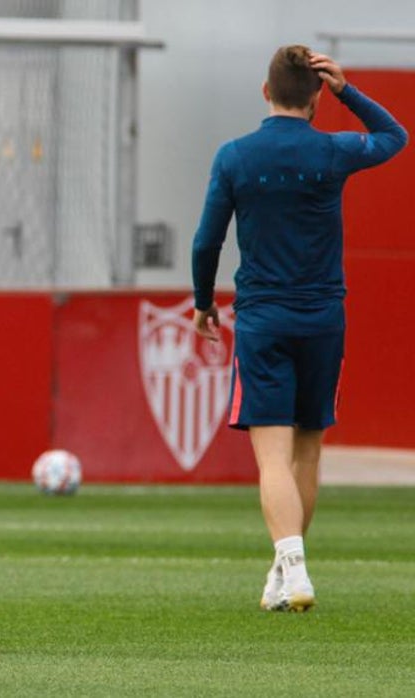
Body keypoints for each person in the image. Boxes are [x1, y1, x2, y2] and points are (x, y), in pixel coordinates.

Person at [192, 46, 406, 612]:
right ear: (315, 96)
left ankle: (294, 566)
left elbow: (206, 241)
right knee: (308, 453)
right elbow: (394, 136)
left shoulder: (236, 156)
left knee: (272, 459)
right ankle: (283, 572)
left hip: (263, 319)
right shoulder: (333, 150)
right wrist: (348, 91)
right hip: (322, 321)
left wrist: (201, 303)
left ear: (266, 92)